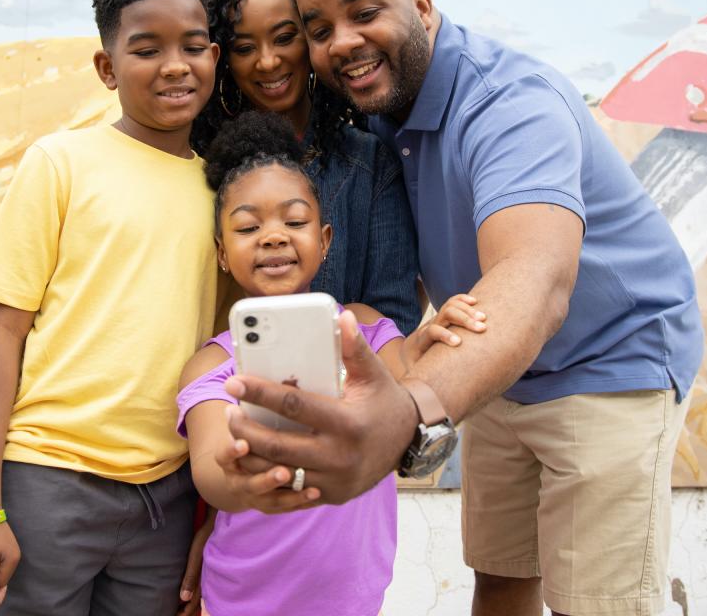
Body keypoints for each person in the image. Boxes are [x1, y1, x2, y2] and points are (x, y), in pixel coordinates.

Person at [219, 0, 705, 616]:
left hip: (609, 365)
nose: (343, 43)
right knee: (503, 577)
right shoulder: (382, 108)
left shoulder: (511, 105)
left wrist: (408, 408)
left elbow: (534, 281)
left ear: (420, 4)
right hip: (496, 369)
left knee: (595, 603)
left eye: (364, 13)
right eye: (320, 29)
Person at [0, 0, 222, 616]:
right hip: (50, 480)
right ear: (107, 68)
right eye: (146, 49)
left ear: (214, 56)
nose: (175, 65)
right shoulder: (61, 163)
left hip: (167, 494)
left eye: (192, 47)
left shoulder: (223, 189)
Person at [178, 110, 485, 616]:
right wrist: (237, 477)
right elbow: (211, 472)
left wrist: (431, 338)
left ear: (324, 241)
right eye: (249, 226)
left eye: (294, 221)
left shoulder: (363, 329)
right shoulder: (212, 365)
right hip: (241, 597)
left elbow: (408, 388)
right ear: (221, 253)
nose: (273, 236)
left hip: (355, 596)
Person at [190, 0, 421, 336]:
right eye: (244, 48)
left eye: (284, 38)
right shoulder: (200, 166)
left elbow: (393, 317)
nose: (268, 61)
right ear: (223, 58)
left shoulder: (369, 163)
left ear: (313, 37)